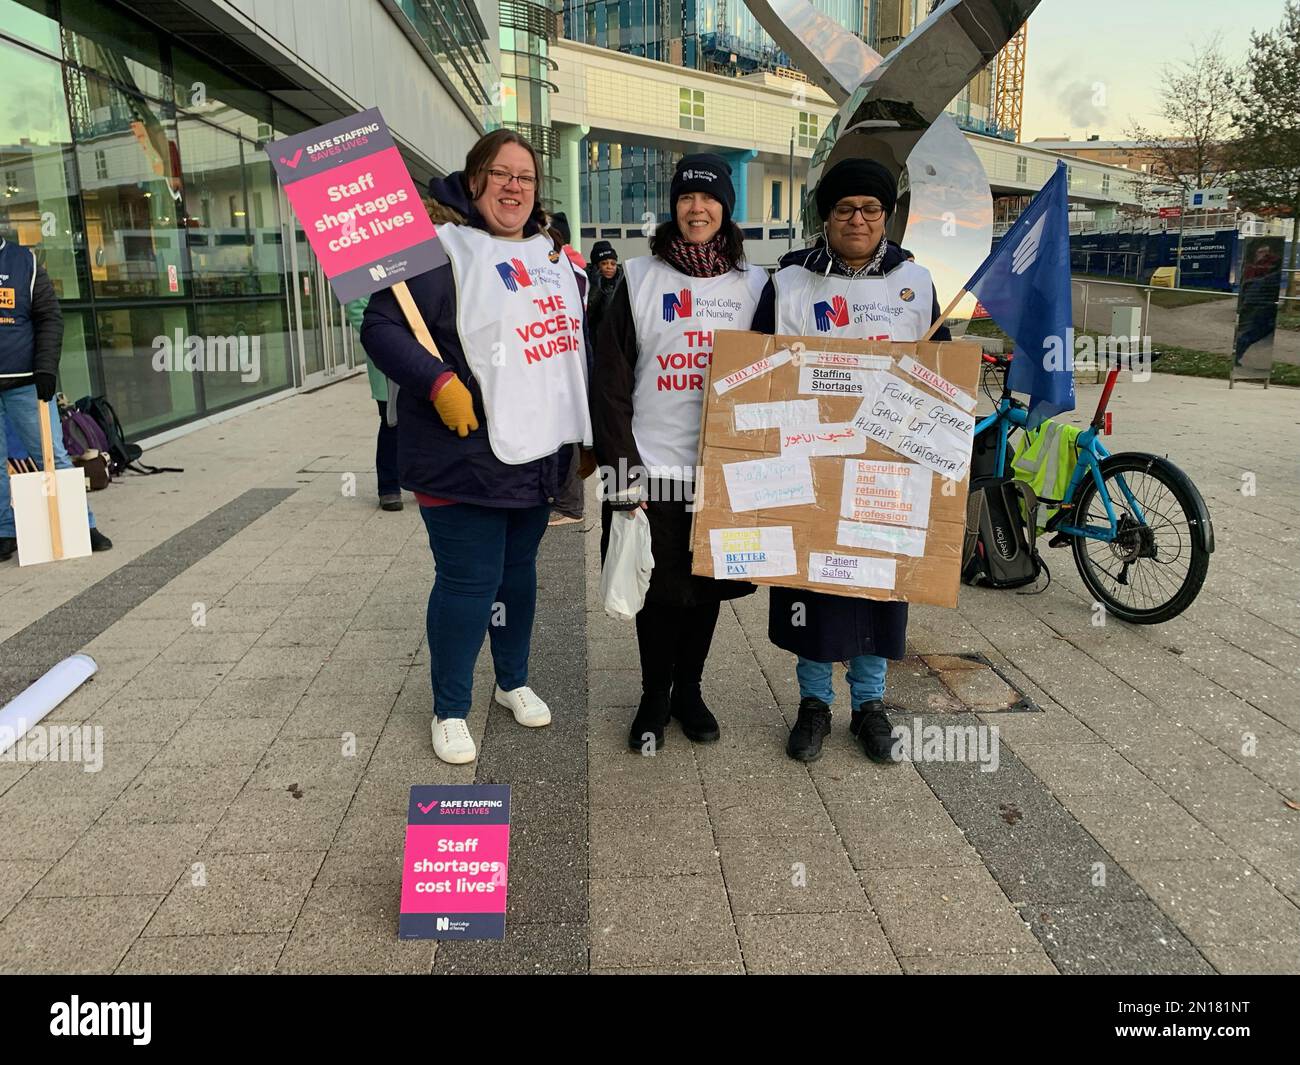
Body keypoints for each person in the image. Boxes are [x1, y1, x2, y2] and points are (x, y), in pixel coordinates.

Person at [360, 130, 592, 765]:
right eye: (500, 174)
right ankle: (450, 706)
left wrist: (583, 431)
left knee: (517, 579)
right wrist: (436, 383)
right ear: (473, 181)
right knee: (469, 583)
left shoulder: (554, 258)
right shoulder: (438, 254)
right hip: (461, 457)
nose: (514, 186)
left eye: (525, 176)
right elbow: (380, 326)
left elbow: (571, 351)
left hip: (535, 455)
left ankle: (512, 681)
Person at [750, 158, 950, 765]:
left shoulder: (915, 284)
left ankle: (870, 704)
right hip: (810, 459)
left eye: (869, 209)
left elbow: (939, 376)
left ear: (885, 216)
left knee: (876, 589)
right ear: (826, 218)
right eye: (844, 209)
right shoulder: (787, 283)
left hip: (887, 465)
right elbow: (754, 370)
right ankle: (814, 704)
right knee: (813, 582)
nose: (857, 219)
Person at [592, 153, 766, 751]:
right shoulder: (638, 279)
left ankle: (689, 690)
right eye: (687, 199)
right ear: (674, 206)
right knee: (656, 590)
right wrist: (621, 468)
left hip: (723, 469)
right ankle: (652, 694)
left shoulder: (754, 284)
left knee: (704, 589)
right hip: (652, 465)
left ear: (726, 207)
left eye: (710, 198)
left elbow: (777, 375)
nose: (698, 209)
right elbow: (610, 380)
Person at [0, 235, 110, 561]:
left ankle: (82, 525)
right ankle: (5, 531)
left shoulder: (24, 262)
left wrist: (45, 369)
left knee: (53, 457)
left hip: (25, 384)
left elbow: (49, 317)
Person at [344, 296, 402, 512]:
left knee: (423, 422)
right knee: (391, 424)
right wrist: (386, 338)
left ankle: (420, 480)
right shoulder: (366, 269)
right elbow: (357, 310)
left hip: (422, 355)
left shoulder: (415, 264)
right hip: (387, 356)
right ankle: (389, 488)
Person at [585, 241, 622, 338]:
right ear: (596, 266)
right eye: (604, 263)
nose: (609, 267)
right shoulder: (586, 282)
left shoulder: (621, 282)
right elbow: (587, 315)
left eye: (613, 263)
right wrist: (596, 287)